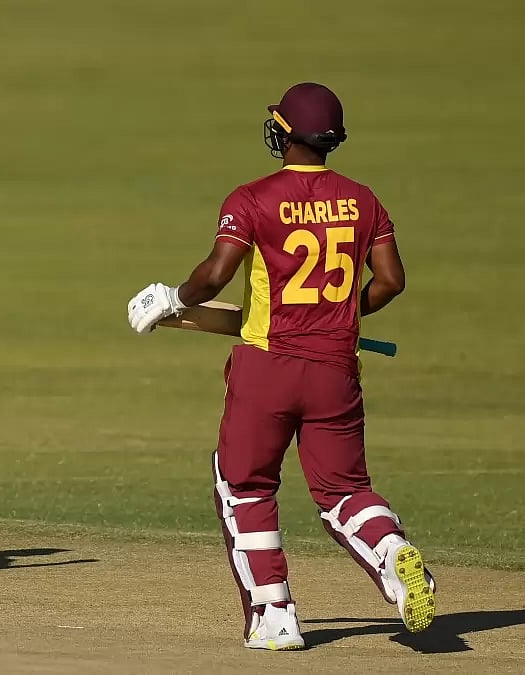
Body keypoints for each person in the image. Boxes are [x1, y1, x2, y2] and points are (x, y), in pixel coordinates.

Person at [125, 82, 434, 650]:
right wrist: (339, 315)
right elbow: (391, 282)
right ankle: (392, 552)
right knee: (344, 491)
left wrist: (173, 298)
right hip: (336, 368)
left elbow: (215, 276)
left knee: (243, 484)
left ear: (286, 132)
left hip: (268, 365)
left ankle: (275, 615)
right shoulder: (364, 200)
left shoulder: (252, 199)